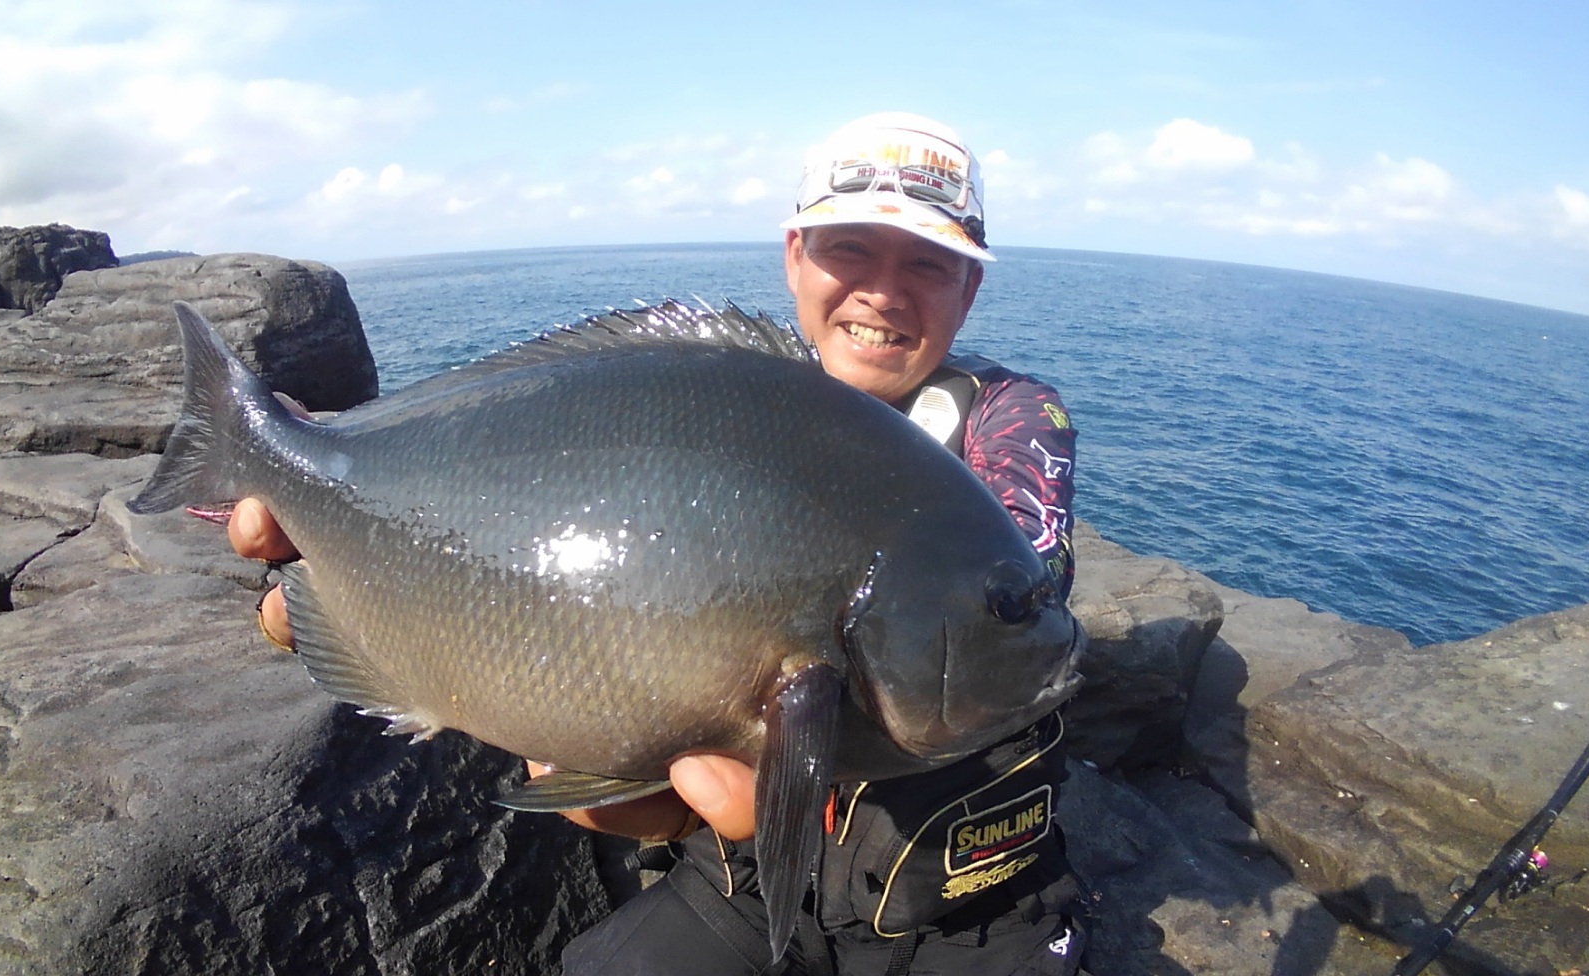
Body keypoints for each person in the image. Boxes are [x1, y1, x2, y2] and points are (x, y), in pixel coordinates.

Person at [229, 112, 1085, 975]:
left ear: (968, 289)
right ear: (796, 255)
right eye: (850, 250)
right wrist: (326, 533)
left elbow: (1020, 564)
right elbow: (502, 518)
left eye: (929, 264)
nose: (883, 292)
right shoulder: (720, 394)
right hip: (738, 878)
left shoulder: (1015, 419)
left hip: (966, 903)